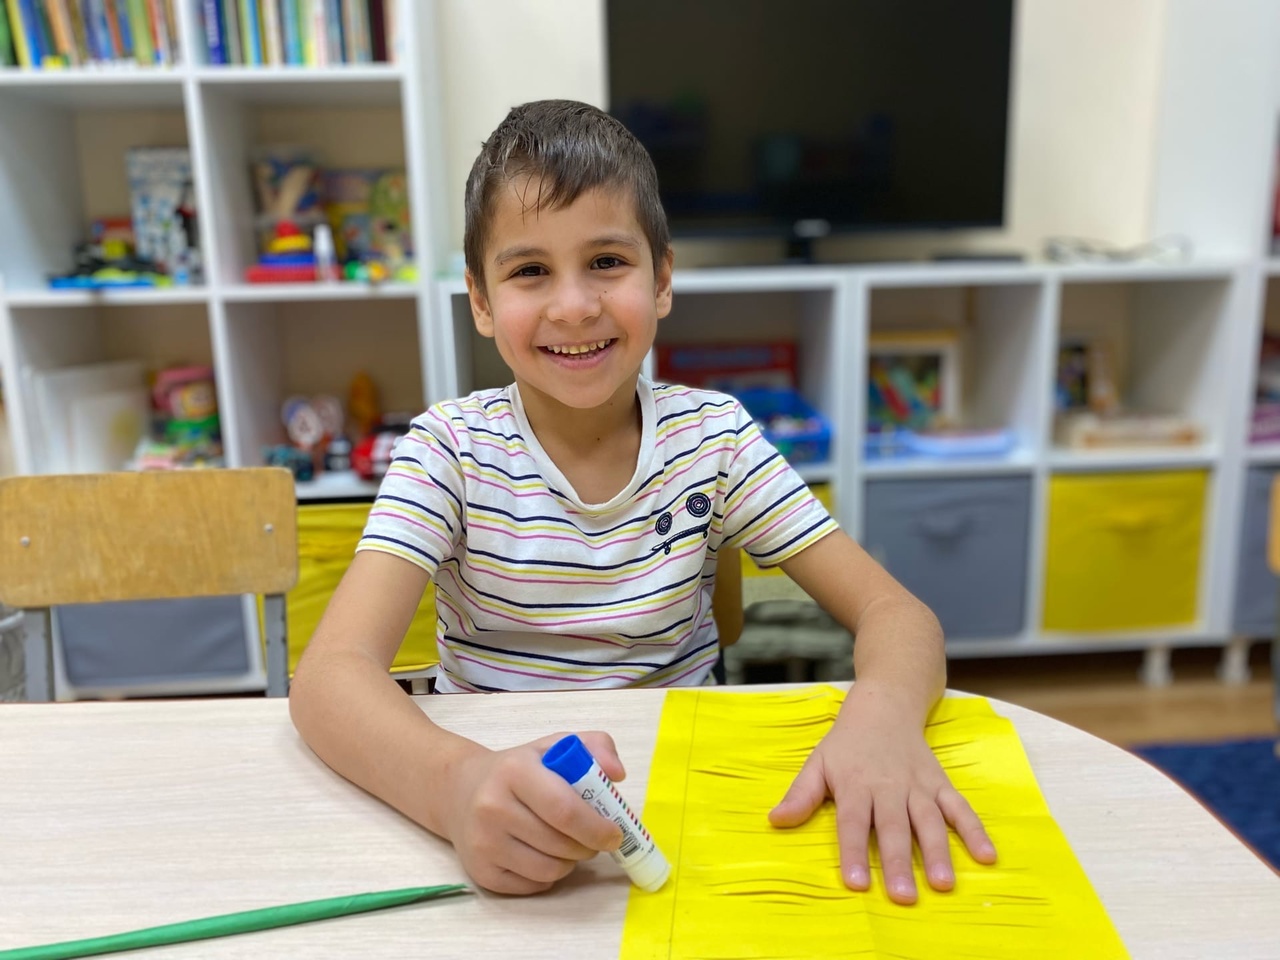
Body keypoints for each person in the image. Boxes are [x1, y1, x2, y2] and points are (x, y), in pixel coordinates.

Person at [289, 99, 997, 903]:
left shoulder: (715, 438)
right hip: (493, 800)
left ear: (661, 279)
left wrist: (882, 717)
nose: (574, 306)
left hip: (688, 796)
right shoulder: (448, 449)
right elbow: (329, 677)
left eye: (606, 261)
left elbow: (898, 615)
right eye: (529, 271)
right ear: (481, 301)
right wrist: (453, 786)